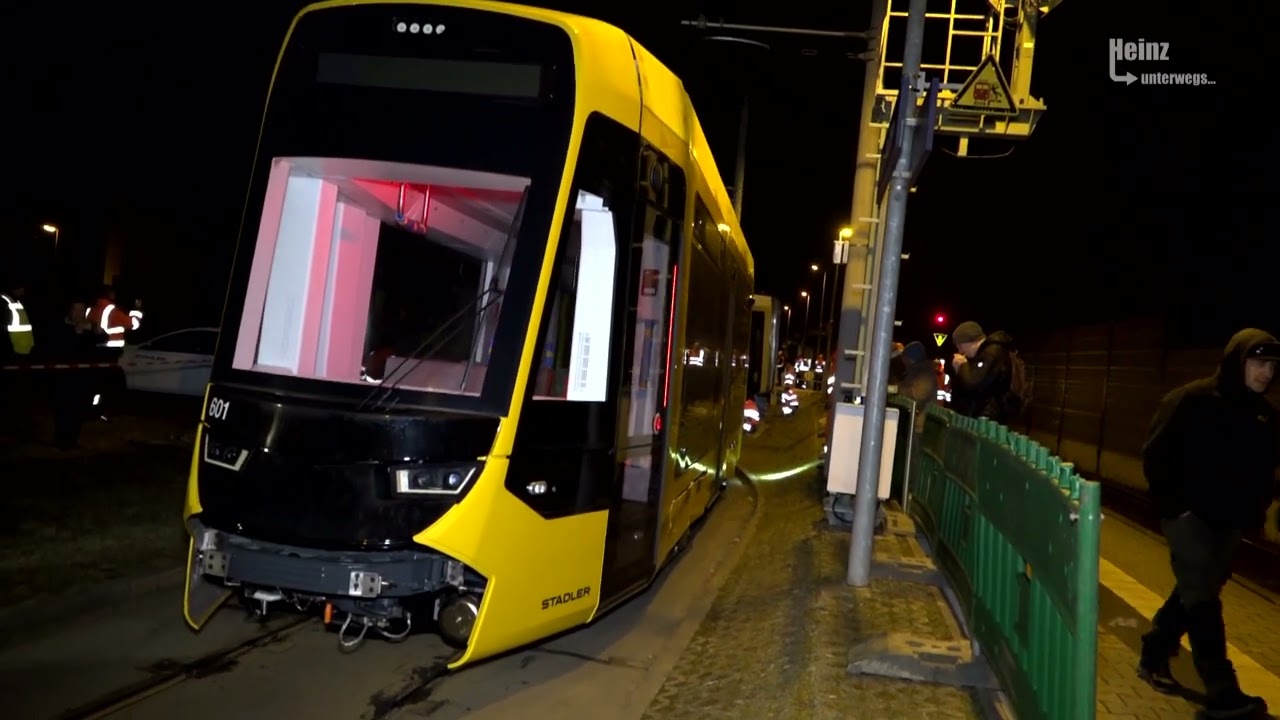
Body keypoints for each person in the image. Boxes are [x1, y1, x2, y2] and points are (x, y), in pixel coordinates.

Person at [1137, 328, 1280, 718]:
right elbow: (1156, 453)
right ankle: (1222, 691)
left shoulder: (1265, 416)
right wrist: (1174, 508)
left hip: (1230, 523)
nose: (1266, 373)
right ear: (1237, 360)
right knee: (1201, 597)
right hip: (1188, 517)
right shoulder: (1191, 400)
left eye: (1272, 365)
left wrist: (1255, 515)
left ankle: (1153, 652)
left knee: (1194, 592)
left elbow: (1265, 472)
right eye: (1258, 362)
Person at [948, 321, 1015, 423]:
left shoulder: (990, 352)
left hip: (988, 417)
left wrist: (962, 366)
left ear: (969, 342)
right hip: (986, 415)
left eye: (960, 346)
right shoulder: (985, 353)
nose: (960, 351)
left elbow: (973, 384)